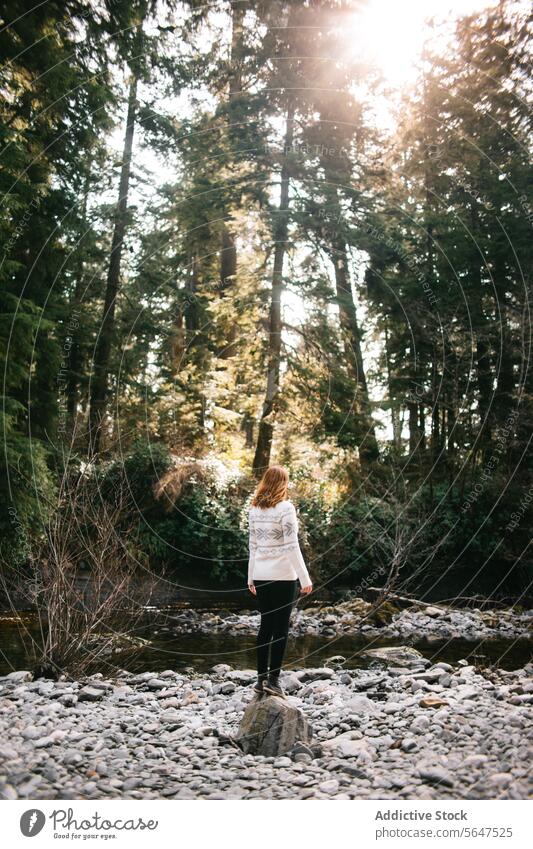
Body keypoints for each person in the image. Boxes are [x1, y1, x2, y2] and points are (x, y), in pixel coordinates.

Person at [247, 465, 312, 697]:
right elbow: (291, 546)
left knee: (265, 626)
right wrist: (304, 578)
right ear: (282, 483)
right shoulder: (286, 508)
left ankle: (260, 680)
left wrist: (250, 577)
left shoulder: (254, 509)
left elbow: (252, 546)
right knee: (280, 628)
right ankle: (274, 681)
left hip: (262, 575)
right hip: (284, 576)